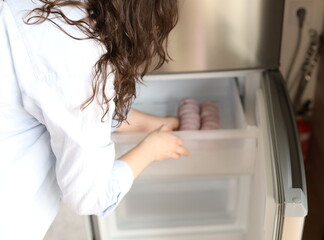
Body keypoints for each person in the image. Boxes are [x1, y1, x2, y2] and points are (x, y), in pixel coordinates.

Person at [0, 0, 189, 239]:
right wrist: (151, 150)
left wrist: (146, 123)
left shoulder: (41, 14)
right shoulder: (77, 50)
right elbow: (90, 196)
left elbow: (58, 104)